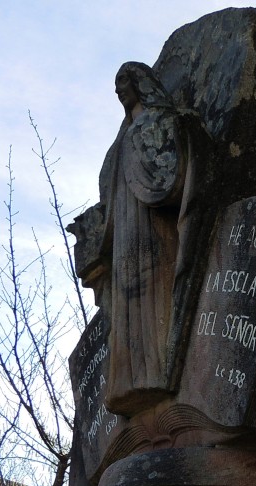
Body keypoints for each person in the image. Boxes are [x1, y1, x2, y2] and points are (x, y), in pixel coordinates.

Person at [99, 61, 199, 416]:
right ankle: (128, 380)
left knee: (154, 293)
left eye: (122, 81)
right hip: (125, 231)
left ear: (139, 82)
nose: (117, 90)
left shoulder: (159, 121)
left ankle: (158, 370)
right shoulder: (125, 136)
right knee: (128, 297)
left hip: (152, 224)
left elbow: (173, 171)